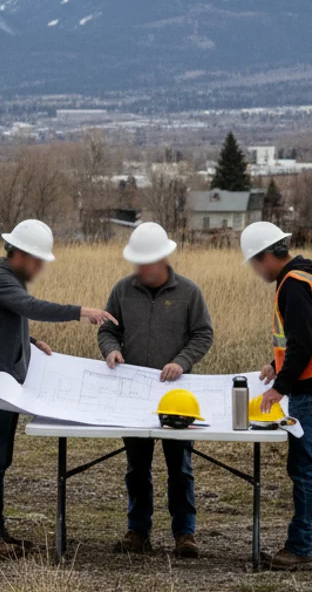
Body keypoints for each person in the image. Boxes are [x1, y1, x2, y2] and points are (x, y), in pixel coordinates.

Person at [0, 219, 117, 559]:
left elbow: (1, 325)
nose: (40, 267)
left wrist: (30, 342)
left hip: (1, 384)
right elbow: (31, 307)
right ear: (19, 254)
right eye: (37, 260)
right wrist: (80, 312)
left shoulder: (7, 280)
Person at [241, 222, 312, 571]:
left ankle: (301, 548)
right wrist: (275, 365)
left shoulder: (292, 284)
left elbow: (303, 344)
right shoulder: (311, 277)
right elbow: (305, 338)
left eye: (254, 263)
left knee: (305, 468)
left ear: (265, 257)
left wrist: (280, 387)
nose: (256, 271)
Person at [97, 223, 213, 558]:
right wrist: (111, 351)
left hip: (177, 397)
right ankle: (137, 532)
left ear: (163, 259)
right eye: (137, 262)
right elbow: (107, 331)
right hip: (133, 395)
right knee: (136, 467)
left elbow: (203, 334)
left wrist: (181, 362)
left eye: (146, 262)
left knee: (180, 467)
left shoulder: (189, 292)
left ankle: (185, 534)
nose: (141, 269)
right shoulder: (122, 290)